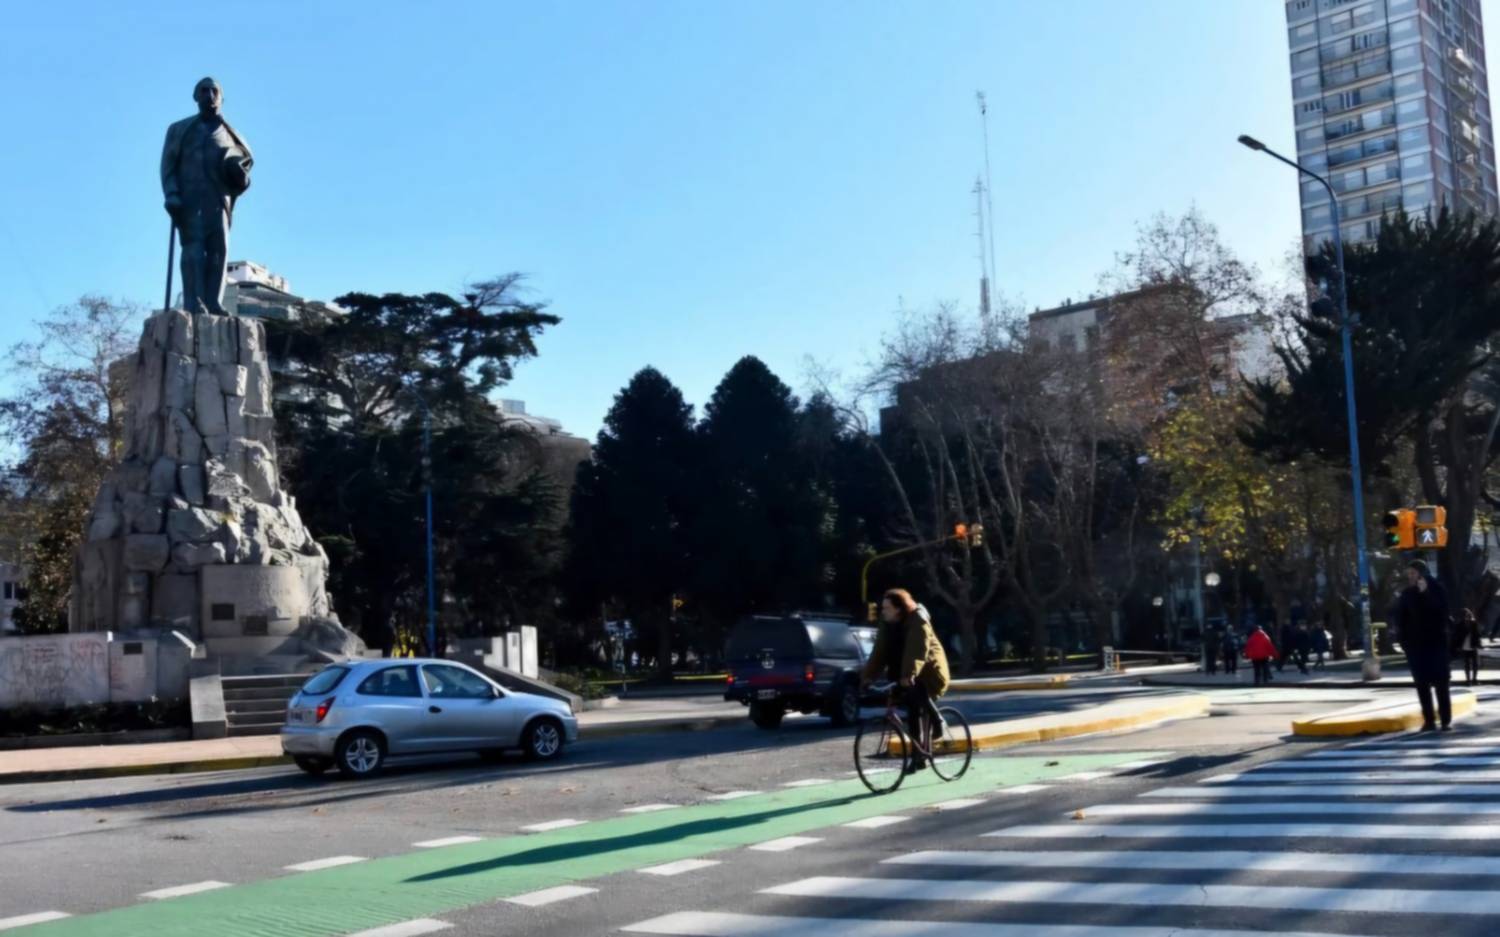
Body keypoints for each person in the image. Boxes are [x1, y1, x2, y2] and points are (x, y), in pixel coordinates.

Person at [161, 77, 254, 316]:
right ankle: (193, 302)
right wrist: (171, 193)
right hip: (190, 198)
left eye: (215, 91)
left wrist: (239, 173)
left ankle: (213, 301)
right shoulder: (180, 129)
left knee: (218, 251)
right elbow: (168, 166)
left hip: (218, 200)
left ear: (222, 98)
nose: (210, 95)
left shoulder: (233, 136)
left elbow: (245, 172)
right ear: (196, 97)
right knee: (193, 249)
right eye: (204, 91)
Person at [861, 588, 951, 773]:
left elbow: (916, 650)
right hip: (904, 670)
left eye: (887, 608)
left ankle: (937, 720)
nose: (883, 611)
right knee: (912, 713)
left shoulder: (918, 619)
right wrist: (867, 677)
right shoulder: (887, 624)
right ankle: (918, 757)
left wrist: (908, 674)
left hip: (930, 670)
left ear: (899, 609)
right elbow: (879, 652)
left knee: (916, 689)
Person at [1396, 560, 1453, 731]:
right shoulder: (1407, 594)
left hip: (1437, 645)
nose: (1410, 577)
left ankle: (1445, 720)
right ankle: (1429, 720)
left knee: (1441, 685)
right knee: (1422, 686)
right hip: (1416, 648)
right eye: (1409, 574)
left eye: (1413, 573)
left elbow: (1442, 614)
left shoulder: (1437, 590)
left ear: (1422, 574)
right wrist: (1405, 644)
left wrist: (1425, 593)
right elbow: (1401, 620)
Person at [1457, 608, 1481, 687]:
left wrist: (1478, 644)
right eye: (1465, 616)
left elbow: (1477, 635)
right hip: (1465, 646)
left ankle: (1474, 679)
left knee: (1475, 664)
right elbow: (1457, 636)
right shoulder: (1460, 624)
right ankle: (1468, 680)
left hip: (1473, 645)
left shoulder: (1473, 623)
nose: (1466, 617)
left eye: (1468, 615)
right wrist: (1458, 646)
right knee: (1467, 664)